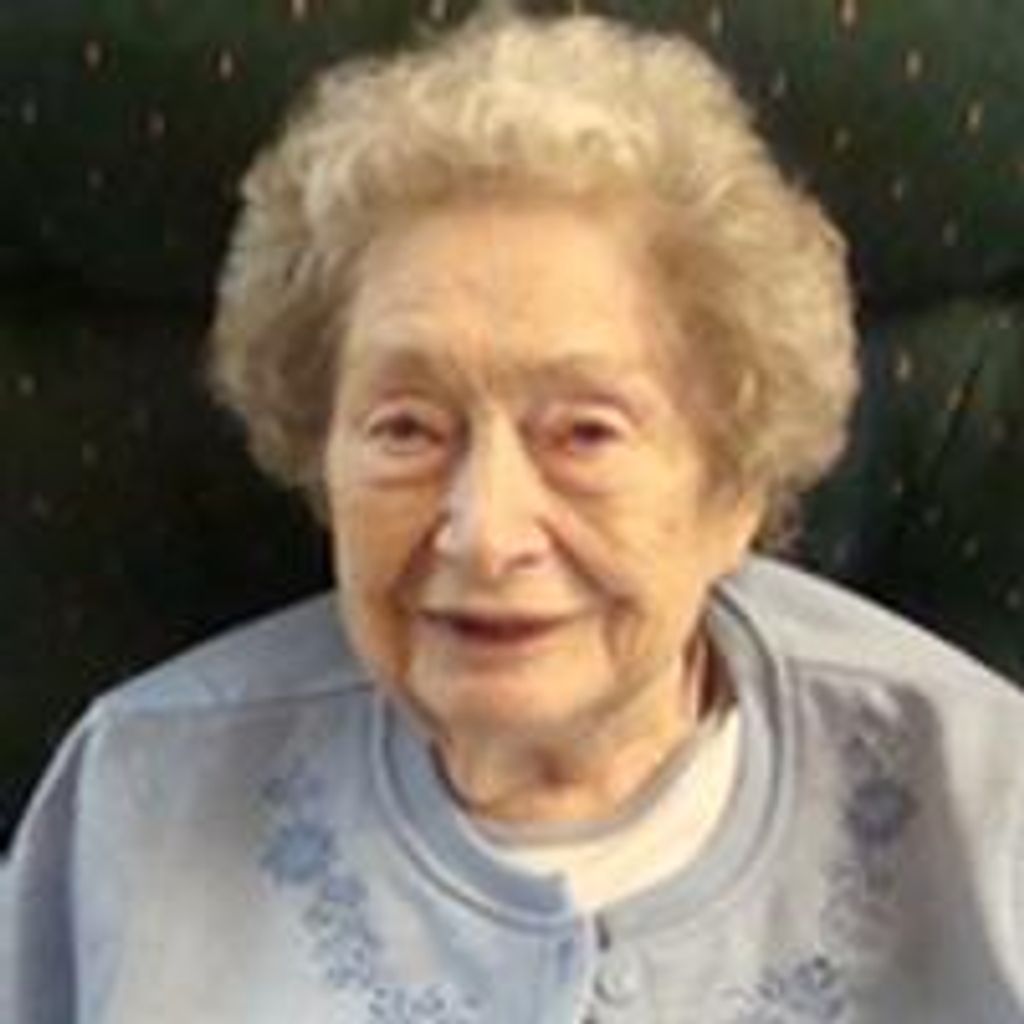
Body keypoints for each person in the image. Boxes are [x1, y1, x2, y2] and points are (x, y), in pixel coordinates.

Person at [4, 11, 1023, 1023]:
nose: (484, 534)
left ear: (734, 487)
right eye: (407, 429)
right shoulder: (140, 793)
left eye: (584, 433)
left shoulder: (986, 801)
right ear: (322, 460)